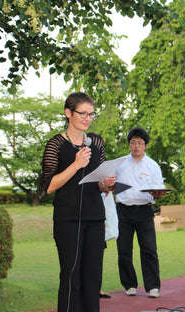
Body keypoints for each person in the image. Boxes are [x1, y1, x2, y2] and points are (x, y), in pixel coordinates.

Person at [42, 92, 116, 312]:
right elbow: (48, 186)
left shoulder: (96, 142)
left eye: (91, 114)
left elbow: (99, 184)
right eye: (82, 113)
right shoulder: (56, 144)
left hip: (95, 217)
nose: (87, 118)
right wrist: (75, 165)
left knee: (93, 278)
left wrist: (108, 183)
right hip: (68, 220)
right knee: (71, 276)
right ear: (68, 113)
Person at [115, 126, 167, 298]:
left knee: (149, 249)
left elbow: (158, 188)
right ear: (129, 144)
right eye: (132, 142)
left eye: (139, 143)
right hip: (123, 211)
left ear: (145, 145)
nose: (136, 146)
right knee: (123, 250)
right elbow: (110, 185)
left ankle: (153, 287)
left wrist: (158, 193)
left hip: (144, 211)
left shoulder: (153, 165)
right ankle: (129, 285)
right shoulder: (120, 163)